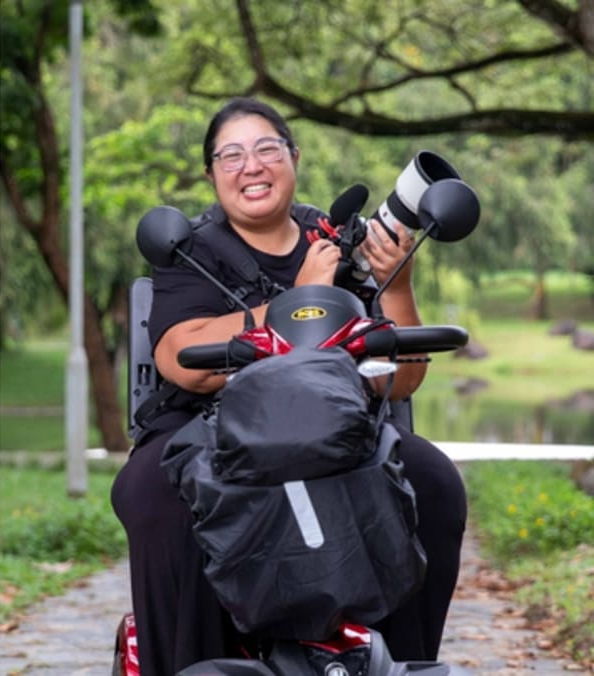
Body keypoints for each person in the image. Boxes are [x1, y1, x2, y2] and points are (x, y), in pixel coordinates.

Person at [110, 97, 468, 674]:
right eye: (231, 155)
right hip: (211, 429)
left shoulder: (338, 243)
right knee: (156, 499)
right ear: (212, 175)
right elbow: (180, 357)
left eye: (266, 149)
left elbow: (402, 379)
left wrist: (393, 277)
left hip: (335, 425)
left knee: (433, 483)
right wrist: (291, 300)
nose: (250, 166)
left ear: (294, 158)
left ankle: (404, 661)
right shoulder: (190, 251)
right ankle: (186, 662)